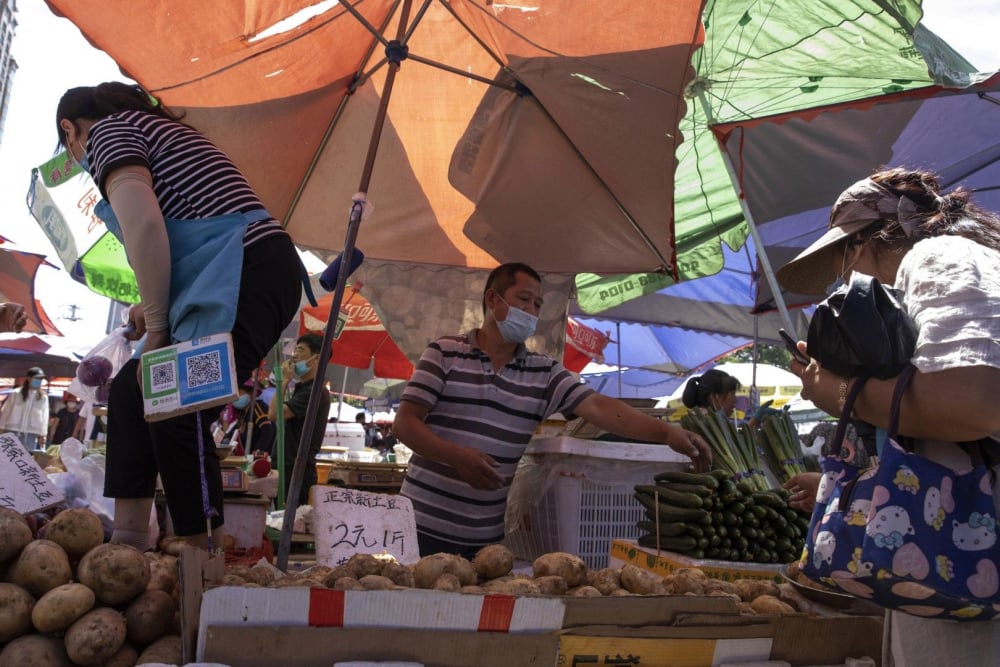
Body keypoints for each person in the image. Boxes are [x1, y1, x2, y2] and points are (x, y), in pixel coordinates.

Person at [57, 82, 301, 551]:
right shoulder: (155, 130)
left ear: (70, 129)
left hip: (247, 268)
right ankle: (127, 545)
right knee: (132, 392)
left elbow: (146, 225)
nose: (76, 157)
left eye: (69, 148)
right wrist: (150, 314)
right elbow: (174, 237)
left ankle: (203, 551)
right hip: (245, 271)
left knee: (174, 400)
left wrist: (160, 324)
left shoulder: (108, 132)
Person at [775, 167, 1000, 666]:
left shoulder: (939, 256)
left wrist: (835, 392)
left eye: (843, 263)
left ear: (862, 245)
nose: (845, 282)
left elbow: (971, 403)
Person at [393, 262, 712, 558]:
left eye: (537, 305)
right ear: (493, 299)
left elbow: (599, 407)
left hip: (483, 542)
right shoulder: (444, 352)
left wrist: (667, 432)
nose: (531, 311)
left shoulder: (543, 373)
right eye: (524, 299)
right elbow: (405, 424)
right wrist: (457, 457)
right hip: (415, 526)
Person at [268, 333, 330, 506]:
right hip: (288, 467)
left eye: (300, 350)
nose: (294, 355)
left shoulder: (314, 391)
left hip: (296, 471)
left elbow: (273, 414)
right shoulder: (304, 388)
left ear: (315, 358)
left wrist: (283, 380)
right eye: (295, 350)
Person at [0, 367, 50, 451]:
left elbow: (45, 416)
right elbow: (6, 411)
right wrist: (1, 428)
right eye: (36, 378)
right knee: (8, 458)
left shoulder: (43, 397)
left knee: (26, 460)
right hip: (12, 430)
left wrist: (43, 434)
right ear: (28, 378)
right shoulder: (16, 393)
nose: (39, 381)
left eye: (40, 379)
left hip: (31, 434)